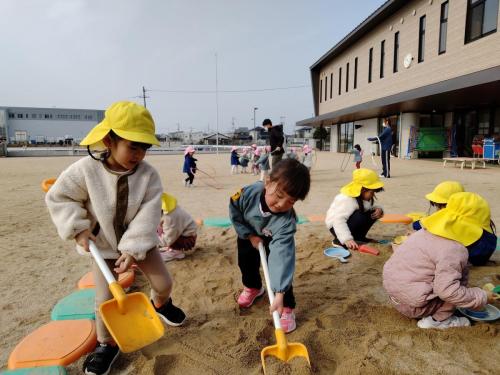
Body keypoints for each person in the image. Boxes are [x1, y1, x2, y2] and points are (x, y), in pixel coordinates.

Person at [45, 101, 186, 375]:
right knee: (104, 300)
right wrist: (78, 227)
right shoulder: (85, 170)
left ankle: (160, 304)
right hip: (103, 247)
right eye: (133, 146)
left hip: (140, 245)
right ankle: (106, 344)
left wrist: (134, 249)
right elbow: (60, 197)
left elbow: (149, 213)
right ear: (109, 140)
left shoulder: (148, 176)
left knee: (163, 282)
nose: (139, 154)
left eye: (144, 147)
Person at [383, 192, 497, 329]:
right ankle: (437, 321)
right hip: (413, 307)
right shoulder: (454, 249)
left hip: (394, 296)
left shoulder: (425, 232)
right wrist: (483, 296)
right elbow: (448, 292)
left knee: (450, 281)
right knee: (455, 289)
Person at [229, 158, 311, 333]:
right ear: (267, 183)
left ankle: (286, 306)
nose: (281, 204)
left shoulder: (286, 222)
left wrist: (279, 293)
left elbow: (281, 256)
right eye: (279, 196)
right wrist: (249, 235)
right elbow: (235, 210)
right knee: (246, 262)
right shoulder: (248, 194)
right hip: (248, 232)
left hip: (272, 237)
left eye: (291, 202)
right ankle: (253, 287)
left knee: (280, 269)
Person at [412, 181, 497, 266]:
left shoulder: (451, 218)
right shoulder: (473, 211)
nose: (437, 209)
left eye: (438, 205)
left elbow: (419, 225)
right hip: (486, 250)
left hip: (472, 257)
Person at [325, 168, 384, 250]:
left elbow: (368, 207)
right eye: (371, 192)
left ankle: (359, 237)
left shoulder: (363, 197)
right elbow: (338, 220)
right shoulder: (347, 199)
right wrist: (346, 239)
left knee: (373, 213)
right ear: (363, 190)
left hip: (346, 223)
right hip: (335, 226)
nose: (373, 195)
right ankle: (338, 241)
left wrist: (379, 209)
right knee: (360, 216)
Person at [158, 192, 198, 262]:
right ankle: (170, 248)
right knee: (157, 229)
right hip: (178, 233)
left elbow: (168, 239)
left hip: (186, 239)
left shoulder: (170, 217)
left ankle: (176, 252)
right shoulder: (166, 209)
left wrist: (153, 241)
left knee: (162, 234)